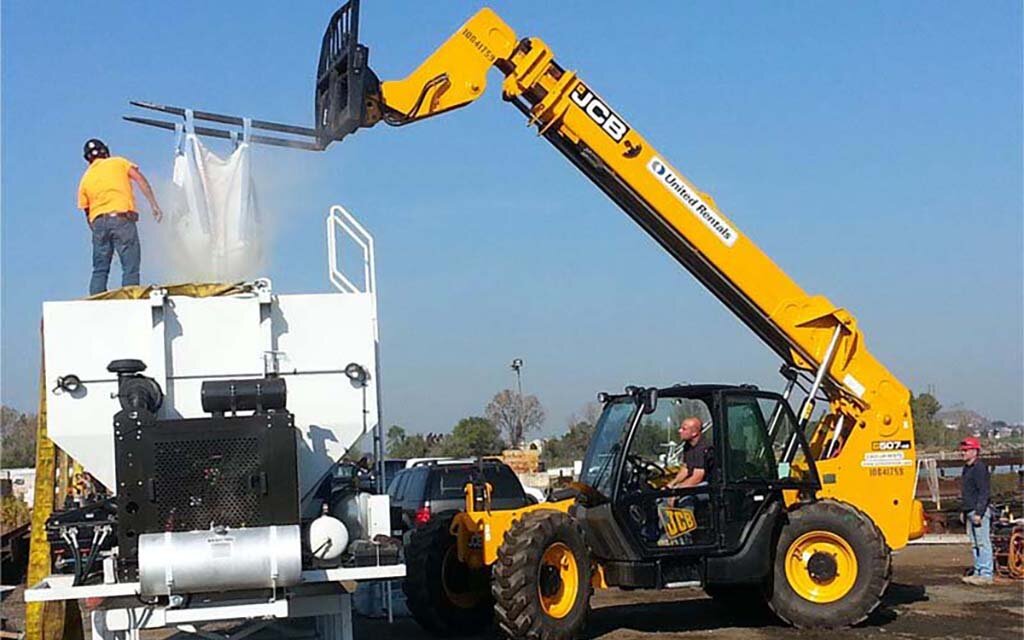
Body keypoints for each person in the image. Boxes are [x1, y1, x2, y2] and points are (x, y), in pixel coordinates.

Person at [77, 138, 163, 295]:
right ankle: (129, 300)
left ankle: (96, 303)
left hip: (98, 224)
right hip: (122, 220)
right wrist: (153, 204)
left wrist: (100, 232)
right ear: (105, 151)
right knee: (130, 265)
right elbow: (139, 179)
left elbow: (87, 211)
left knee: (100, 268)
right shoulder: (118, 162)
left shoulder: (85, 178)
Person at [959, 436, 993, 585]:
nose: (963, 453)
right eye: (963, 450)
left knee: (983, 542)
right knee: (974, 543)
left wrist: (979, 512)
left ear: (974, 451)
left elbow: (984, 492)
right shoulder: (967, 468)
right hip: (969, 510)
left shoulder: (979, 468)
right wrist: (964, 511)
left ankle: (986, 573)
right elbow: (967, 492)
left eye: (966, 450)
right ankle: (978, 571)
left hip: (979, 511)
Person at [667, 416, 711, 489]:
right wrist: (671, 484)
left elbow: (698, 476)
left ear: (694, 433)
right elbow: (686, 469)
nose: (679, 431)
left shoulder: (703, 448)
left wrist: (678, 491)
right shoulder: (688, 446)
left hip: (708, 486)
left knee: (685, 500)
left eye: (684, 429)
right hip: (696, 483)